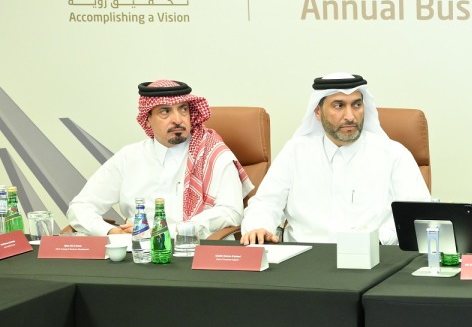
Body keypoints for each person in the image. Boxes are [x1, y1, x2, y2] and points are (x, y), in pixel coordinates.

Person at [240, 73, 431, 245]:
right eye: (339, 106)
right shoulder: (296, 152)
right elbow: (266, 204)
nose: (350, 116)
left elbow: (418, 217)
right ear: (317, 112)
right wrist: (258, 227)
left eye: (357, 105)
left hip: (374, 258)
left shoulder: (393, 155)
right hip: (304, 260)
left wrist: (375, 240)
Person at [67, 79, 252, 238]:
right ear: (147, 119)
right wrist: (110, 232)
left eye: (183, 110)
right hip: (137, 252)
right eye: (165, 111)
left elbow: (231, 212)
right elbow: (80, 207)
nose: (177, 119)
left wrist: (164, 232)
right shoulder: (129, 157)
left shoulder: (213, 154)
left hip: (191, 250)